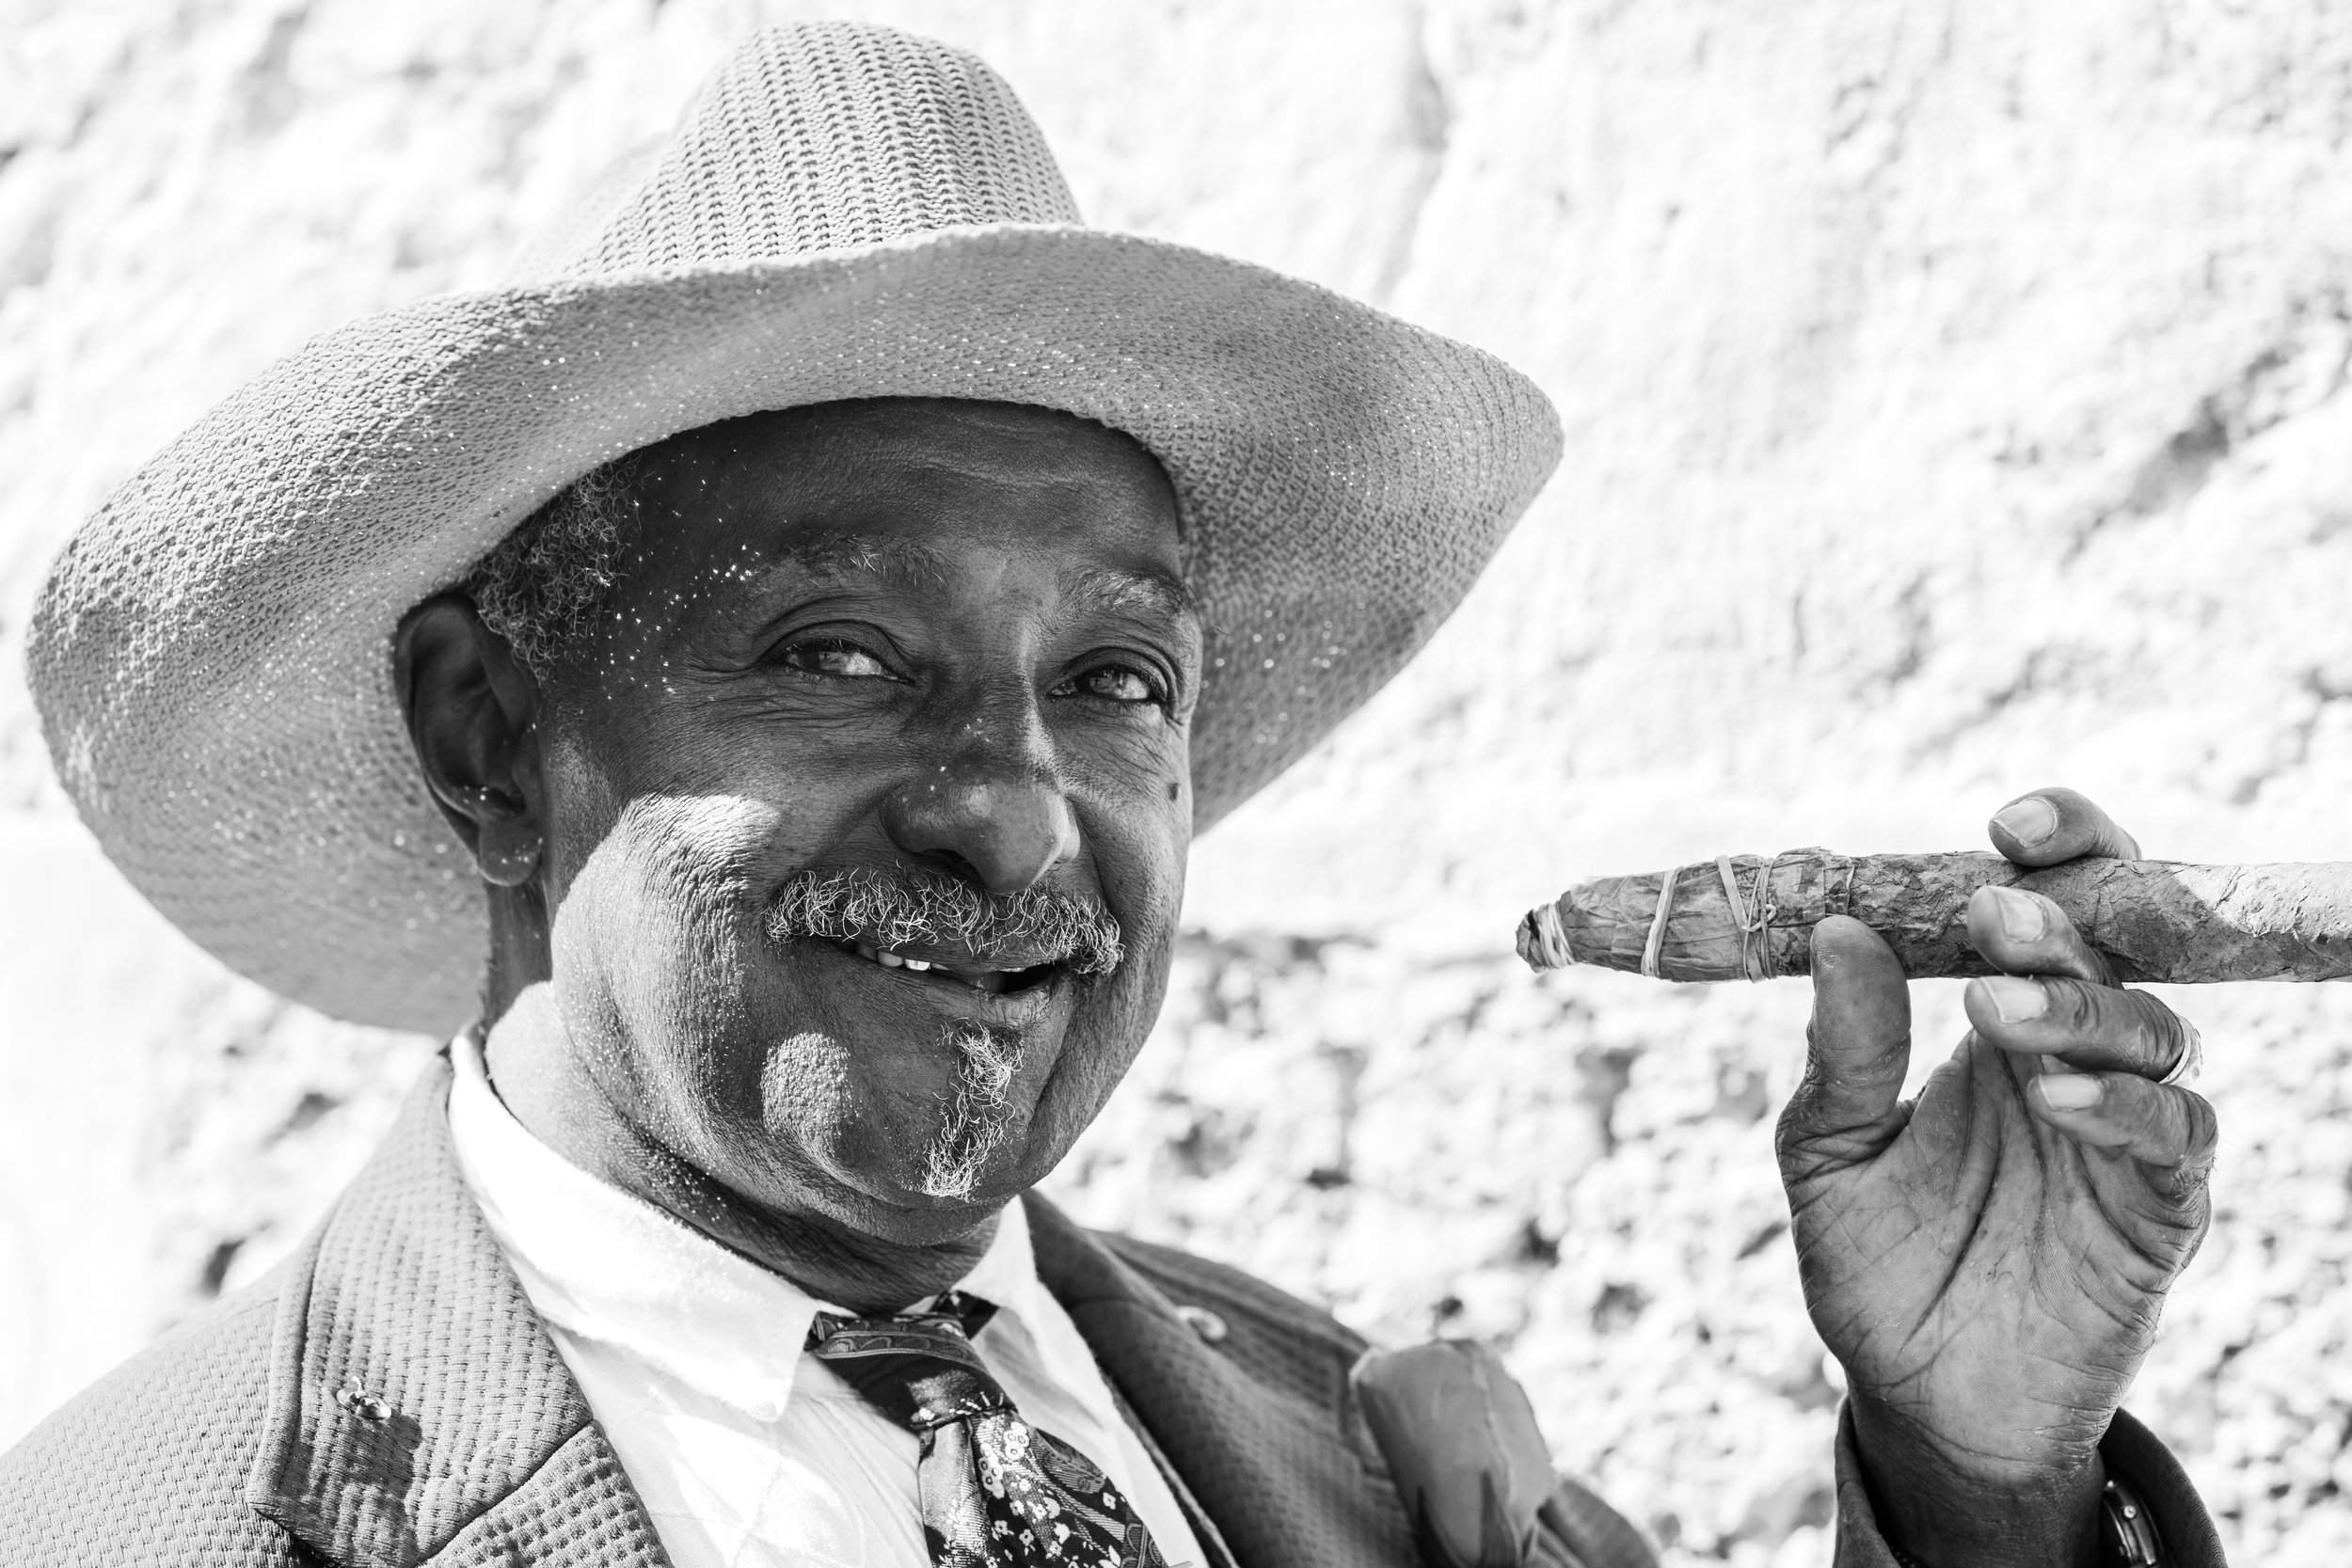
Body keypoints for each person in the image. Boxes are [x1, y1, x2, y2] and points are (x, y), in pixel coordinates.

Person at [2, 22, 2222, 1568]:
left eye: (1115, 678)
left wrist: (1976, 1485)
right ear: (493, 740)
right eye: (839, 657)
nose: (1019, 818)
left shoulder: (1334, 1426)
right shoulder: (166, 1531)